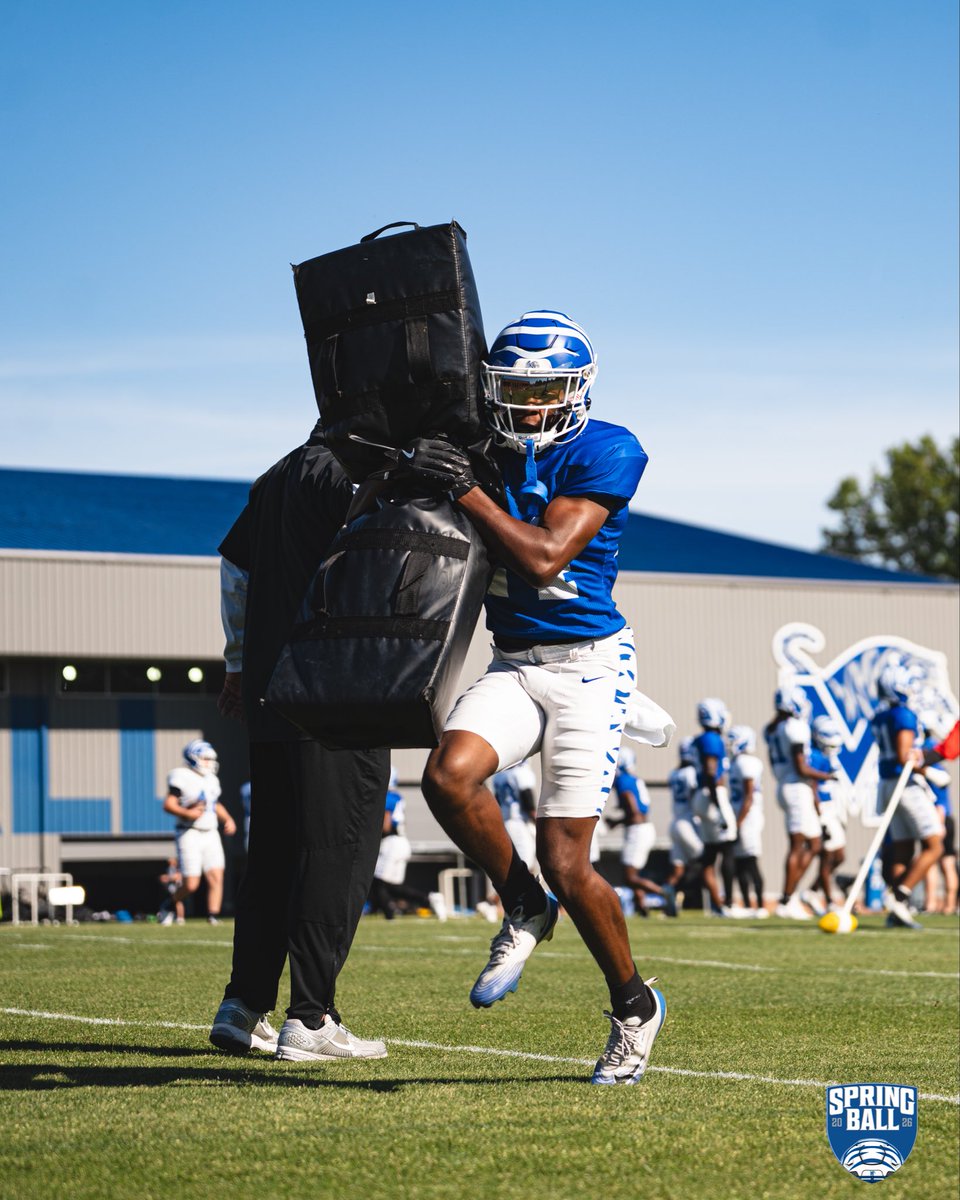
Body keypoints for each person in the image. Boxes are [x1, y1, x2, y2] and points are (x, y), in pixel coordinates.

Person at [402, 311, 666, 1086]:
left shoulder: (607, 447)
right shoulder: (483, 446)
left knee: (568, 860)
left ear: (575, 389)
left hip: (589, 666)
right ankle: (523, 903)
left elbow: (546, 555)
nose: (529, 405)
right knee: (447, 776)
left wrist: (470, 493)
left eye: (545, 389)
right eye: (514, 389)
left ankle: (634, 1006)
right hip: (515, 659)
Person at [209, 424, 391, 1063]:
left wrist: (237, 662)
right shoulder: (367, 466)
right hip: (338, 685)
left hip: (270, 684)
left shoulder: (281, 471)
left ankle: (242, 1005)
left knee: (276, 851)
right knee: (337, 846)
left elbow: (234, 566)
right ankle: (312, 1015)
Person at [871, 663, 943, 929]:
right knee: (934, 845)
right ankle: (900, 898)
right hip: (906, 784)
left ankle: (897, 911)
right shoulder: (903, 714)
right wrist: (932, 773)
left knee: (902, 847)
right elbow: (905, 756)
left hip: (887, 783)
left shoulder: (880, 716)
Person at [764, 685, 833, 920]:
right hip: (795, 787)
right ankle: (787, 899)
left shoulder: (774, 728)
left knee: (815, 844)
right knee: (797, 845)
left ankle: (790, 894)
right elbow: (801, 766)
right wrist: (827, 776)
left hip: (790, 786)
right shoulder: (794, 727)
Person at [162, 740, 236, 924]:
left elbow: (214, 803)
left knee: (216, 875)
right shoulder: (181, 775)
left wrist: (227, 819)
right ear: (192, 757)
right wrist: (187, 813)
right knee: (191, 883)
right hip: (189, 832)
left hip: (210, 831)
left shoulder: (212, 779)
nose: (209, 762)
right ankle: (170, 903)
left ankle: (213, 916)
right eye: (205, 758)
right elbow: (169, 804)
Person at [369, 769, 447, 920]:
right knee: (389, 885)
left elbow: (385, 825)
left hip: (392, 842)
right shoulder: (397, 796)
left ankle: (393, 913)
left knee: (379, 882)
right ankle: (427, 900)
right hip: (400, 841)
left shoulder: (388, 797)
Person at [609, 747, 675, 916]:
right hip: (642, 829)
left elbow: (633, 811)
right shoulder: (633, 779)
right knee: (631, 874)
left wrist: (616, 822)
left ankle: (663, 893)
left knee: (630, 877)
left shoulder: (623, 780)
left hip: (637, 830)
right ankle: (642, 908)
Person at [691, 699, 737, 916]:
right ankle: (728, 903)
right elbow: (711, 772)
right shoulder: (712, 739)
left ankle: (718, 905)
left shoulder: (701, 739)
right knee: (727, 848)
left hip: (703, 794)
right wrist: (718, 805)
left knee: (709, 854)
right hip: (712, 794)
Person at [801, 716, 847, 916]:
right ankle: (828, 900)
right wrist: (819, 813)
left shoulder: (826, 756)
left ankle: (812, 891)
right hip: (823, 809)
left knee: (838, 856)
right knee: (828, 856)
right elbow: (813, 785)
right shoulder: (813, 756)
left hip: (832, 809)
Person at [919, 710, 958, 914]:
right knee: (948, 861)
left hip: (938, 814)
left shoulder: (927, 752)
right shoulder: (933, 752)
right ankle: (949, 905)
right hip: (944, 813)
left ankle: (931, 903)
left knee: (932, 859)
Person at [726, 725, 767, 917]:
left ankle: (760, 905)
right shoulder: (736, 762)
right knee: (741, 862)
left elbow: (748, 796)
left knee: (750, 861)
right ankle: (748, 905)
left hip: (748, 816)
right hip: (740, 815)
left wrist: (738, 822)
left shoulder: (747, 762)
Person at [665, 737, 703, 910]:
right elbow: (696, 797)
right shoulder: (692, 773)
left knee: (677, 870)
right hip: (688, 822)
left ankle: (668, 898)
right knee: (704, 862)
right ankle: (710, 903)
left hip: (675, 823)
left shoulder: (673, 773)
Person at [157, 856, 185, 925]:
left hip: (177, 887)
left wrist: (167, 878)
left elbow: (178, 876)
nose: (169, 860)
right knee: (172, 902)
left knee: (178, 902)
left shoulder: (177, 868)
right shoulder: (169, 868)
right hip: (171, 888)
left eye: (171, 859)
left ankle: (180, 918)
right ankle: (171, 916)